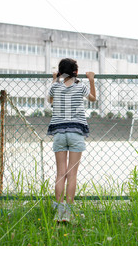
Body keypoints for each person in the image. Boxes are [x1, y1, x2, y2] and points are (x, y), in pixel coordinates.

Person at [47, 58, 96, 222]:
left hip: (59, 133)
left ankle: (58, 212)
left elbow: (50, 101)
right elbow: (93, 98)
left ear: (61, 72)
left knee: (60, 173)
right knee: (72, 174)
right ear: (76, 72)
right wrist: (91, 79)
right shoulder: (80, 86)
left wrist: (55, 79)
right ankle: (68, 213)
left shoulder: (55, 87)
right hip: (76, 132)